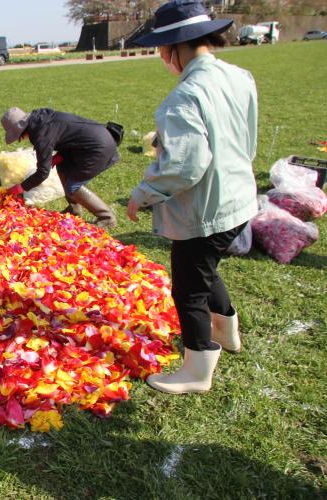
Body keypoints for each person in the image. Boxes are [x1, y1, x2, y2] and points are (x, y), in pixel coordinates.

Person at [126, 0, 258, 394]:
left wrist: (144, 194)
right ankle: (228, 332)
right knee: (206, 267)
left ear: (175, 48)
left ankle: (197, 369)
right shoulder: (238, 76)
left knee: (189, 286)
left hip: (207, 207)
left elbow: (185, 165)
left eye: (162, 50)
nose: (163, 58)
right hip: (239, 196)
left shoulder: (184, 97)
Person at [0, 107, 120, 228]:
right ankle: (74, 209)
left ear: (20, 131)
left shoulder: (41, 135)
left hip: (98, 149)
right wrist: (60, 156)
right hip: (91, 143)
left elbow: (42, 173)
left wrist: (21, 187)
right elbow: (69, 136)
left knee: (73, 185)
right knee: (62, 166)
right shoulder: (40, 121)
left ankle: (107, 218)